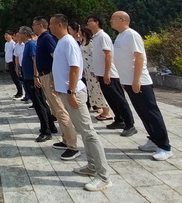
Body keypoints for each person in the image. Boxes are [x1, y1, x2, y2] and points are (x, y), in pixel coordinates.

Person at [50, 13, 112, 192]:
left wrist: (70, 91)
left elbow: (75, 67)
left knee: (88, 132)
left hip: (74, 93)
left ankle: (103, 176)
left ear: (60, 24)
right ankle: (92, 166)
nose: (50, 27)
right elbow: (63, 67)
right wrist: (57, 83)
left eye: (52, 24)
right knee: (84, 132)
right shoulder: (62, 42)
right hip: (67, 92)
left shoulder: (68, 42)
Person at [110, 11, 173, 161]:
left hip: (140, 82)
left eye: (112, 19)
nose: (110, 21)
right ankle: (153, 140)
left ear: (122, 19)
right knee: (142, 113)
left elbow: (139, 57)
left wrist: (136, 79)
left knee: (151, 113)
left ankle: (165, 146)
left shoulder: (131, 35)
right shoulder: (120, 36)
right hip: (128, 81)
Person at [32, 17, 80, 160]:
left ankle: (72, 145)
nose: (32, 28)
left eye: (34, 25)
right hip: (45, 76)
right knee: (56, 110)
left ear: (40, 25)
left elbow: (56, 59)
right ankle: (65, 139)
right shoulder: (42, 38)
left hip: (50, 76)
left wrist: (55, 78)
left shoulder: (47, 38)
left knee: (60, 109)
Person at [87, 15, 137, 136]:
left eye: (89, 21)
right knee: (110, 99)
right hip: (101, 74)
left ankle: (130, 124)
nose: (87, 23)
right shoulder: (95, 37)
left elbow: (108, 55)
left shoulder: (103, 36)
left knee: (119, 99)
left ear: (96, 22)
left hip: (110, 74)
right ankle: (119, 119)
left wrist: (107, 72)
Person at [17, 26, 57, 141]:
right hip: (29, 78)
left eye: (19, 33)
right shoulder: (26, 45)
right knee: (41, 103)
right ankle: (51, 126)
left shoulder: (31, 45)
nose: (18, 35)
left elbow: (35, 60)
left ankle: (46, 131)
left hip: (33, 79)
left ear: (25, 33)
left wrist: (36, 76)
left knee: (40, 104)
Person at [72, 24, 113, 121]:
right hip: (87, 69)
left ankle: (107, 111)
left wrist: (94, 69)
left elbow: (94, 55)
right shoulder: (83, 41)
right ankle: (102, 109)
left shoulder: (91, 42)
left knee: (99, 90)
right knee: (94, 90)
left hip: (92, 68)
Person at [4, 30, 22, 98]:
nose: (5, 36)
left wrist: (15, 64)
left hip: (12, 62)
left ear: (11, 36)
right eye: (5, 35)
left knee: (16, 78)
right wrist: (6, 63)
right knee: (13, 78)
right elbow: (6, 53)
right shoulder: (6, 44)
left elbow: (15, 54)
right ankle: (18, 91)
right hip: (9, 62)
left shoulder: (13, 43)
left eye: (7, 35)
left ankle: (20, 92)